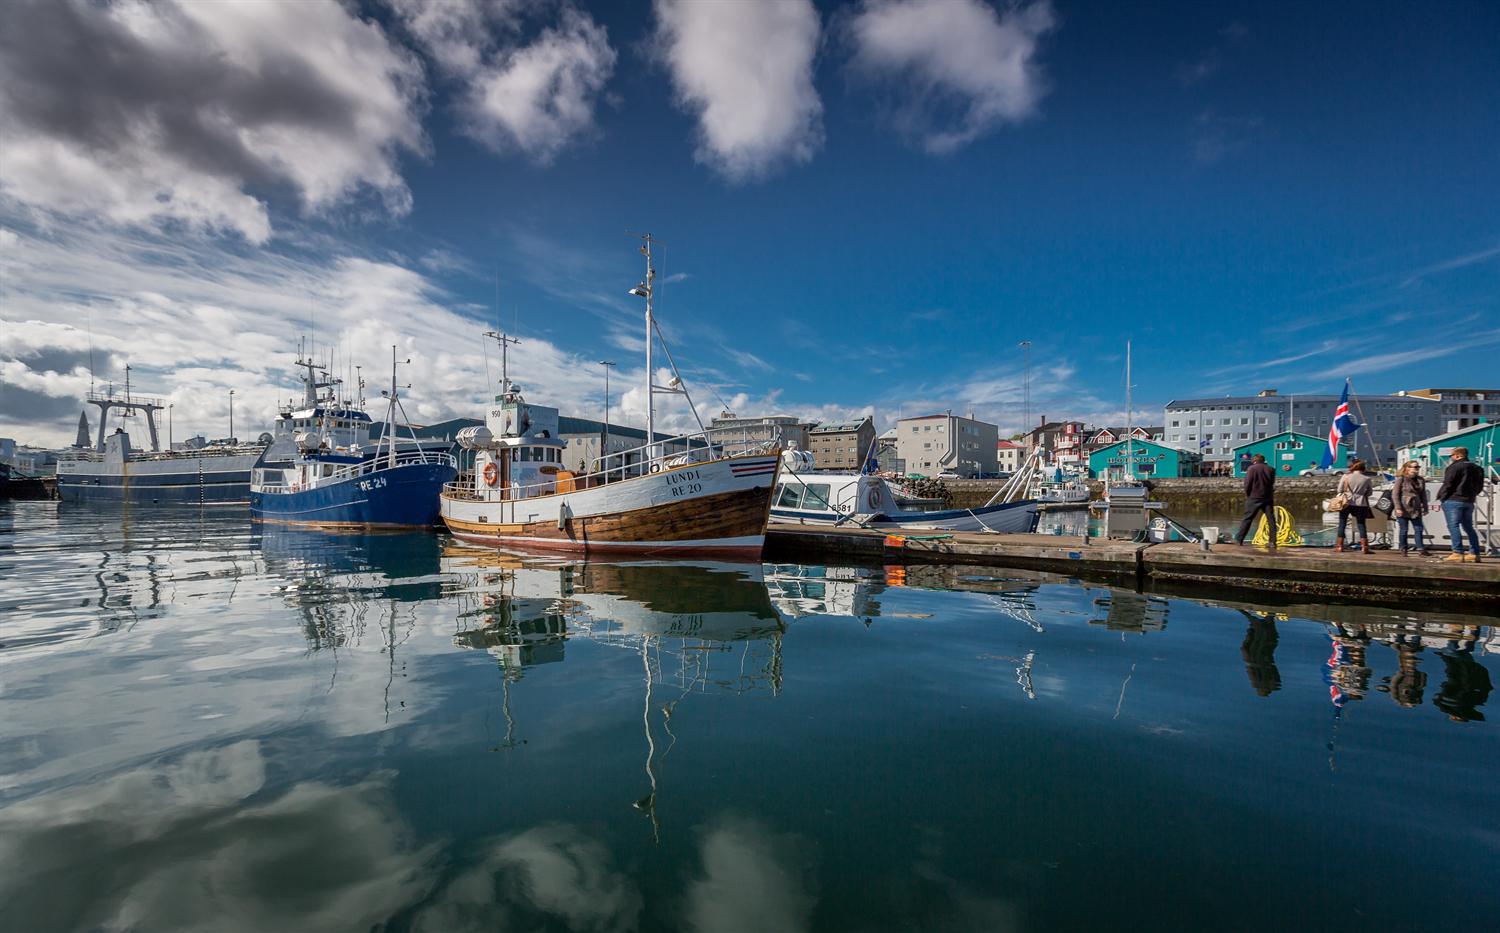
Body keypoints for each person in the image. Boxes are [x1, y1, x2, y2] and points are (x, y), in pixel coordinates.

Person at [1435, 446, 1485, 563]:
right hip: (1469, 501)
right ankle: (1474, 553)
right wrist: (1472, 495)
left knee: (1453, 526)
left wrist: (1442, 497)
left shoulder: (1453, 467)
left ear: (1457, 456)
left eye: (1451, 456)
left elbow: (1448, 484)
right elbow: (1480, 486)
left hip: (1453, 500)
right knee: (1468, 527)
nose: (1451, 458)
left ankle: (1457, 552)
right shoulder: (1478, 468)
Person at [1233, 453, 1278, 550]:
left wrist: (1248, 495)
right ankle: (1272, 542)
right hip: (1268, 497)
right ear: (1263, 460)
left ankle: (1239, 539)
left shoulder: (1251, 469)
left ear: (1254, 461)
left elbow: (1247, 483)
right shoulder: (1271, 469)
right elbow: (1271, 483)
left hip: (1254, 497)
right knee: (1271, 520)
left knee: (1247, 519)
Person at [1391, 459, 1431, 556]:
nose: (1417, 469)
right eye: (1415, 467)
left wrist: (1425, 507)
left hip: (1416, 507)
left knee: (1418, 528)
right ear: (1408, 468)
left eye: (1418, 467)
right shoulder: (1401, 479)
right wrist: (1398, 508)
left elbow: (1423, 495)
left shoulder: (1420, 480)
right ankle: (1403, 548)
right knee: (1404, 530)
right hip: (1403, 507)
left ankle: (1421, 549)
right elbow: (1395, 494)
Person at [1334, 459, 1374, 554]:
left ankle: (1339, 546)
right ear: (1363, 469)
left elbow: (1339, 490)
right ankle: (1365, 547)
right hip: (1361, 503)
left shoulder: (1346, 476)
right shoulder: (1366, 479)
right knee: (1361, 524)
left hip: (1346, 502)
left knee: (1342, 523)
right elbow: (1369, 493)